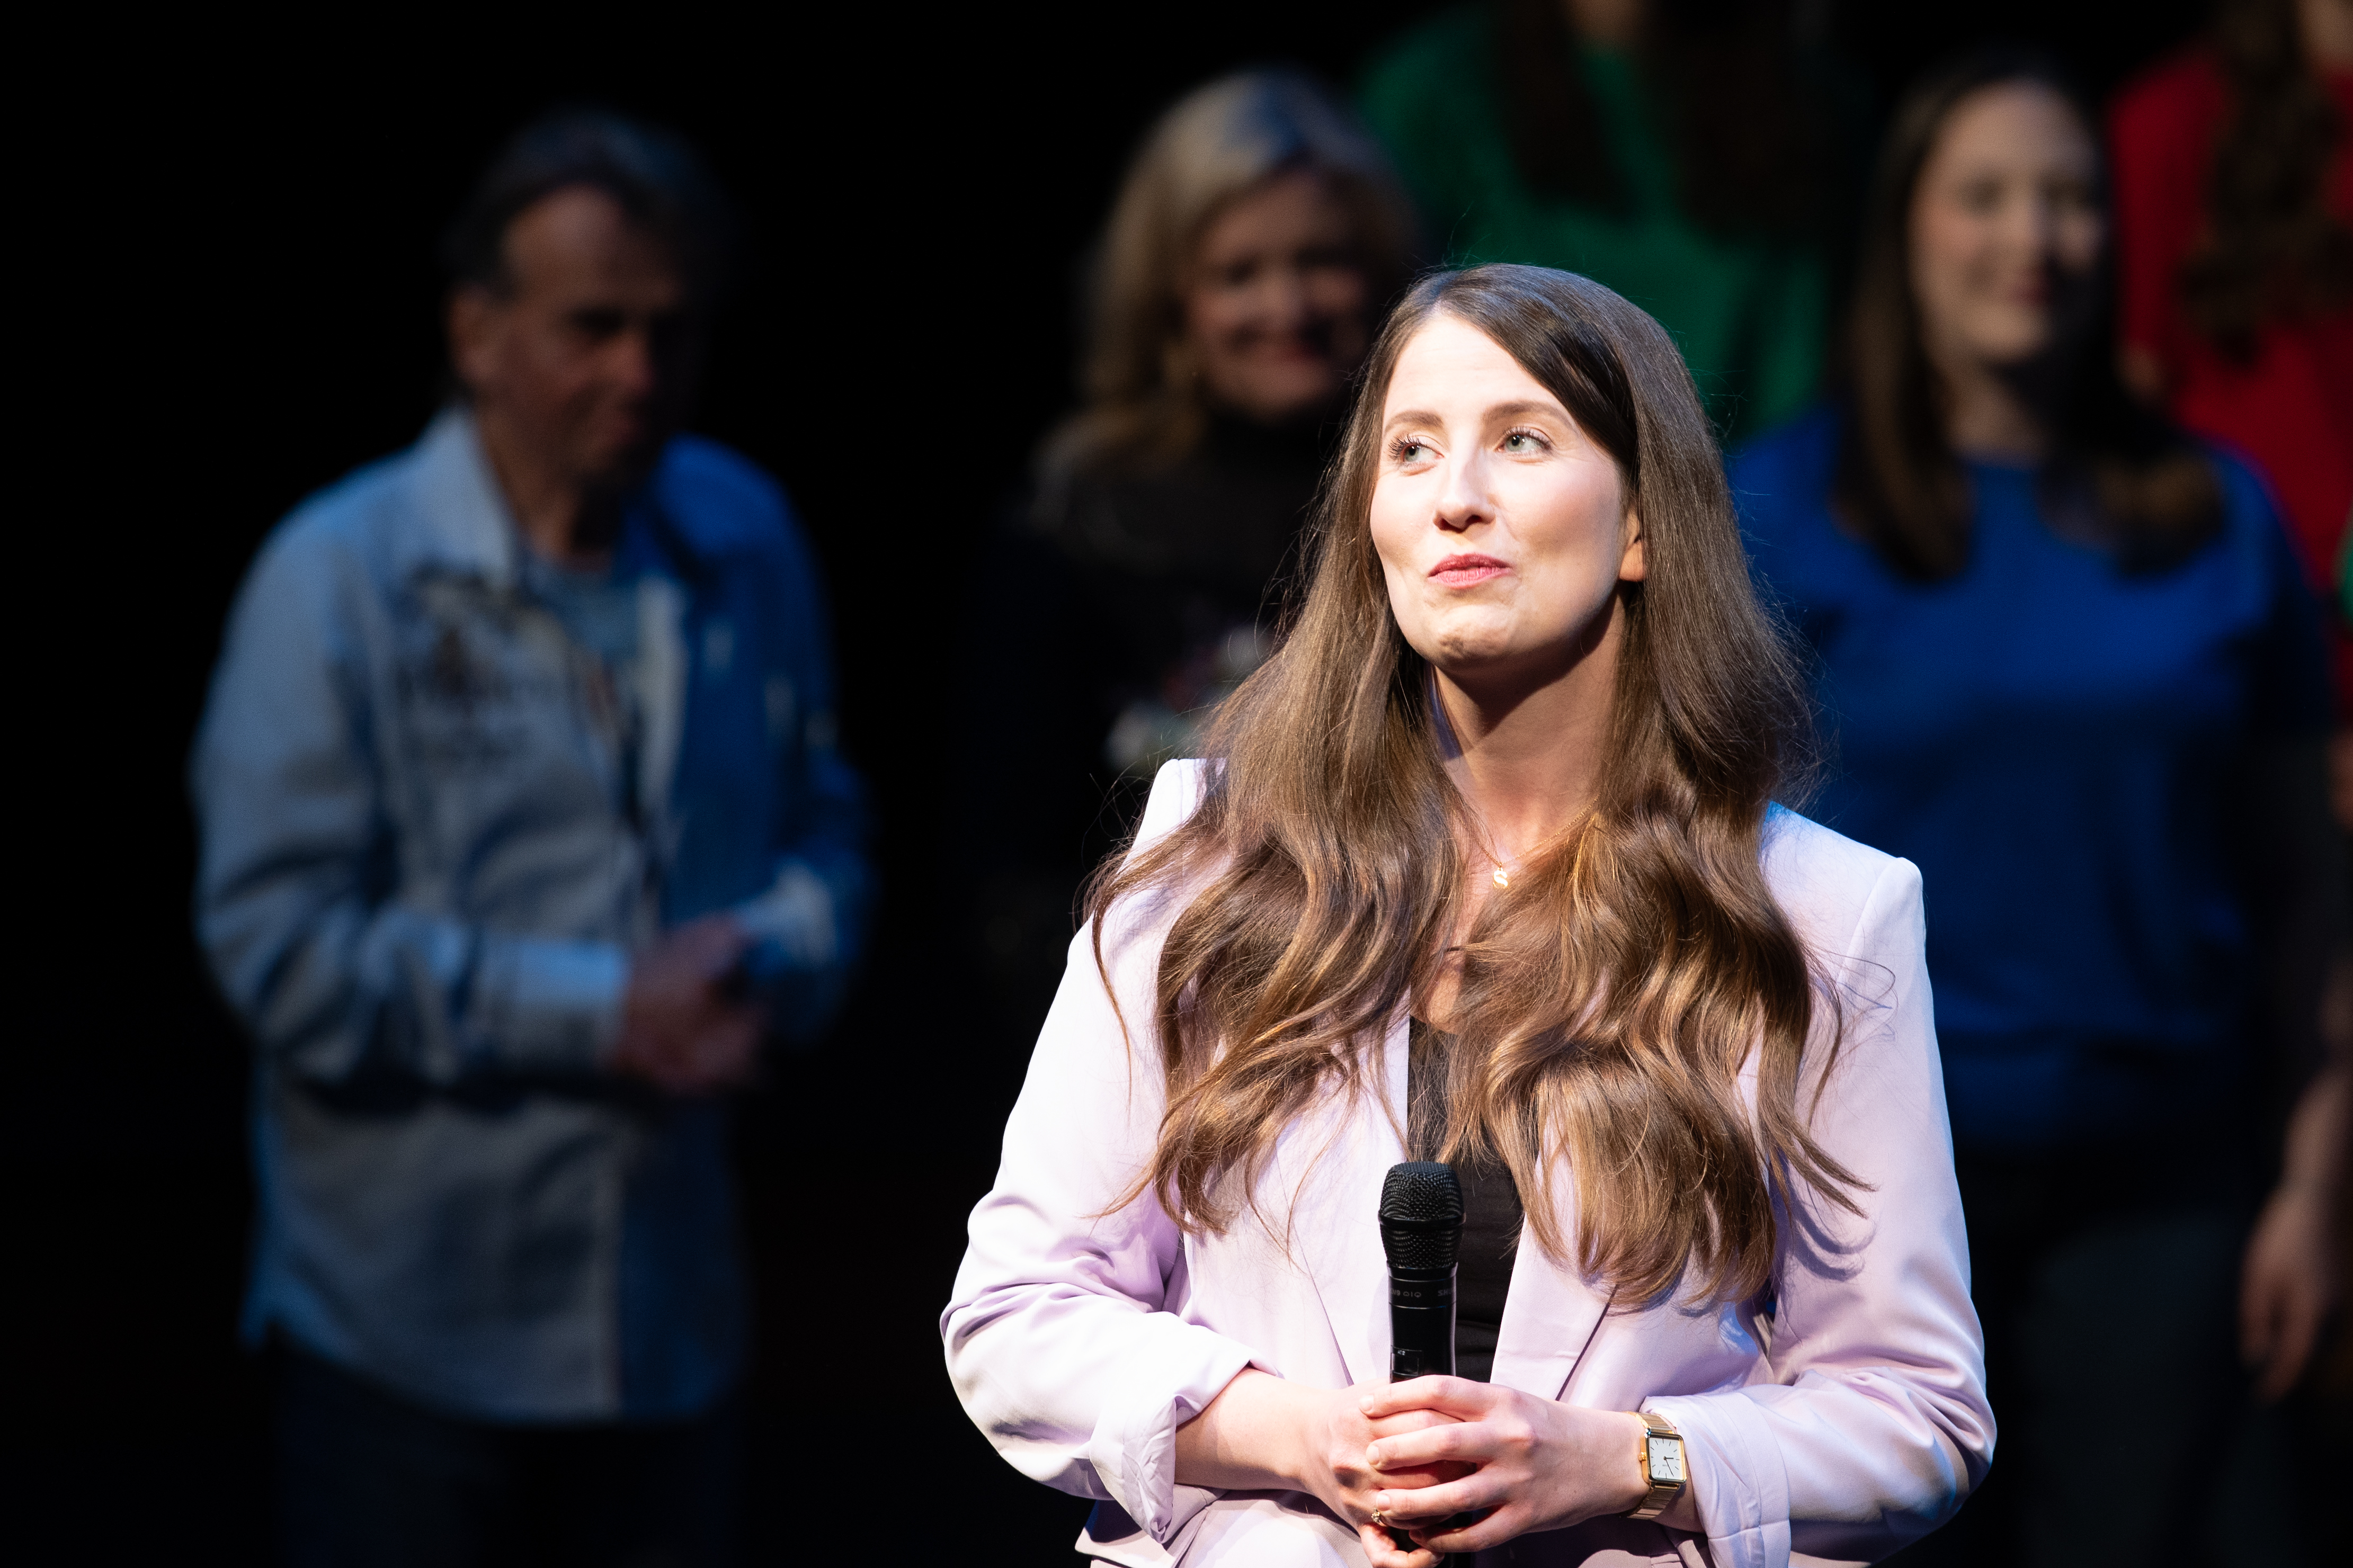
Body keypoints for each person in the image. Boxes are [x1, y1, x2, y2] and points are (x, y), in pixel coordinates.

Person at [944, 263, 1991, 1564]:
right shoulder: (1214, 860)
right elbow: (1019, 1315)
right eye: (1412, 450)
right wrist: (1301, 1437)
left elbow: (1917, 1415)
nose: (1454, 497)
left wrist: (1622, 1461)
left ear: (1638, 528)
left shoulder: (1820, 916)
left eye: (1519, 441)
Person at [191, 112, 867, 1566]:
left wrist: (752, 957)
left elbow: (831, 837)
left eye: (670, 330)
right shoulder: (341, 579)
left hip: (674, 1322)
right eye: (592, 327)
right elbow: (276, 946)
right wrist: (604, 1013)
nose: (638, 373)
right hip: (411, 1344)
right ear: (475, 330)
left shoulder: (741, 534)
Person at [1728, 52, 2347, 1564]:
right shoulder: (1774, 510)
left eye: (2070, 199)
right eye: (1986, 196)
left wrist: (2320, 1183)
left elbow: (2306, 884)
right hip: (1842, 1197)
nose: (2035, 237)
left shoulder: (2214, 515)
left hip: (2163, 1183)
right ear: (1905, 234)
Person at [966, 70, 1416, 1010]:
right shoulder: (1081, 521)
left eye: (1322, 260)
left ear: (1379, 270)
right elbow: (1004, 878)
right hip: (1148, 1031)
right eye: (1237, 274)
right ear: (1169, 296)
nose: (1287, 307)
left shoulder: (1425, 491)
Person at [1358, 0, 1847, 442]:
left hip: (1743, 511)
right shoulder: (1430, 92)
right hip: (1498, 490)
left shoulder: (1808, 97)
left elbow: (1800, 376)